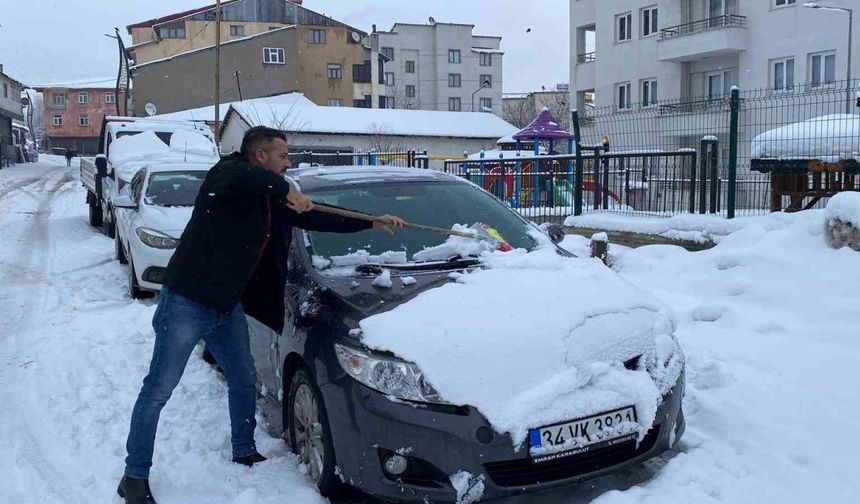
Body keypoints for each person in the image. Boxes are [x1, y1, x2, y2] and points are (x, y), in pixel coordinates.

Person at [118, 127, 405, 504]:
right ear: (260, 156)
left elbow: (316, 217)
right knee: (158, 390)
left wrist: (370, 221)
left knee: (243, 378)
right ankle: (134, 475)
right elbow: (241, 176)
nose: (289, 163)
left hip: (227, 306)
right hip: (187, 302)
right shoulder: (226, 177)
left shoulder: (270, 199)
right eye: (283, 156)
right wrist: (286, 189)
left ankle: (243, 449)